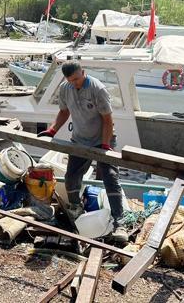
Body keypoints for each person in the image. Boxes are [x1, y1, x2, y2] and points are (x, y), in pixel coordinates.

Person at [38, 61, 128, 243]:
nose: (75, 83)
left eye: (77, 79)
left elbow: (107, 118)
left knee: (110, 177)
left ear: (83, 73)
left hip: (103, 139)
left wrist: (104, 145)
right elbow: (64, 111)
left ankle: (120, 221)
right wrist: (53, 130)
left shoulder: (97, 89)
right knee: (72, 176)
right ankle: (76, 210)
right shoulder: (65, 88)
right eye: (70, 80)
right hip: (80, 140)